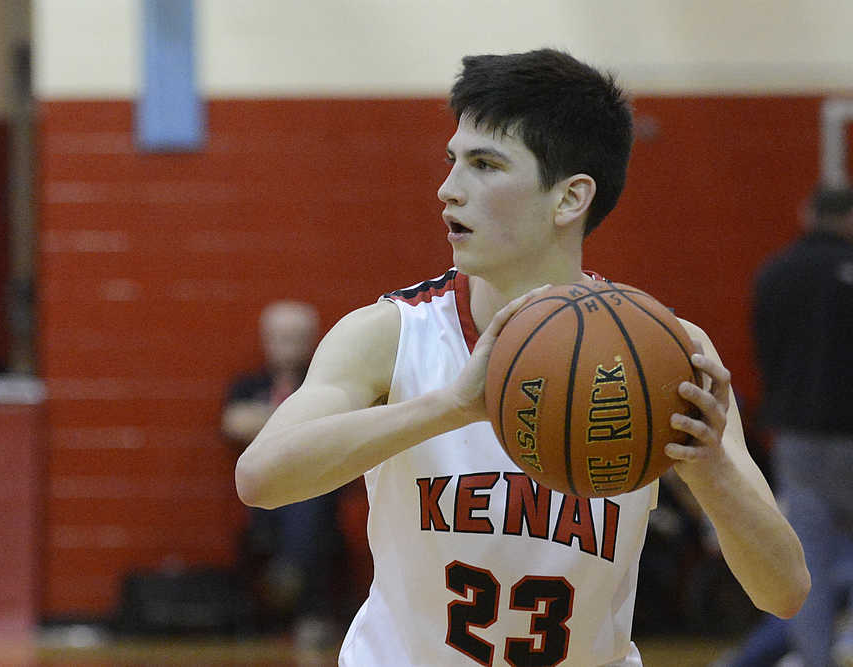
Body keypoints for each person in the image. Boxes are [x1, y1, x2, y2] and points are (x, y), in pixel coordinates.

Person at [236, 49, 809, 665]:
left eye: (485, 165)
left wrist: (710, 475)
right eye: (452, 160)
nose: (448, 189)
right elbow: (262, 477)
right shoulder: (389, 334)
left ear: (569, 199)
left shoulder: (664, 354)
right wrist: (454, 406)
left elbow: (784, 592)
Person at [752, 186, 853, 667]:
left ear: (806, 214)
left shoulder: (775, 272)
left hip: (797, 435)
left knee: (807, 557)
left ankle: (815, 659)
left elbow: (764, 352)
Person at [222, 300, 344, 647]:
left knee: (309, 502)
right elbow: (233, 422)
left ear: (311, 341)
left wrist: (268, 421)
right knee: (283, 502)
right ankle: (293, 583)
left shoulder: (325, 381)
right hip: (259, 491)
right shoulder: (248, 383)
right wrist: (300, 421)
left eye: (295, 337)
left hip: (317, 489)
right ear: (266, 339)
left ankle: (294, 577)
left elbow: (339, 422)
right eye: (280, 337)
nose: (287, 346)